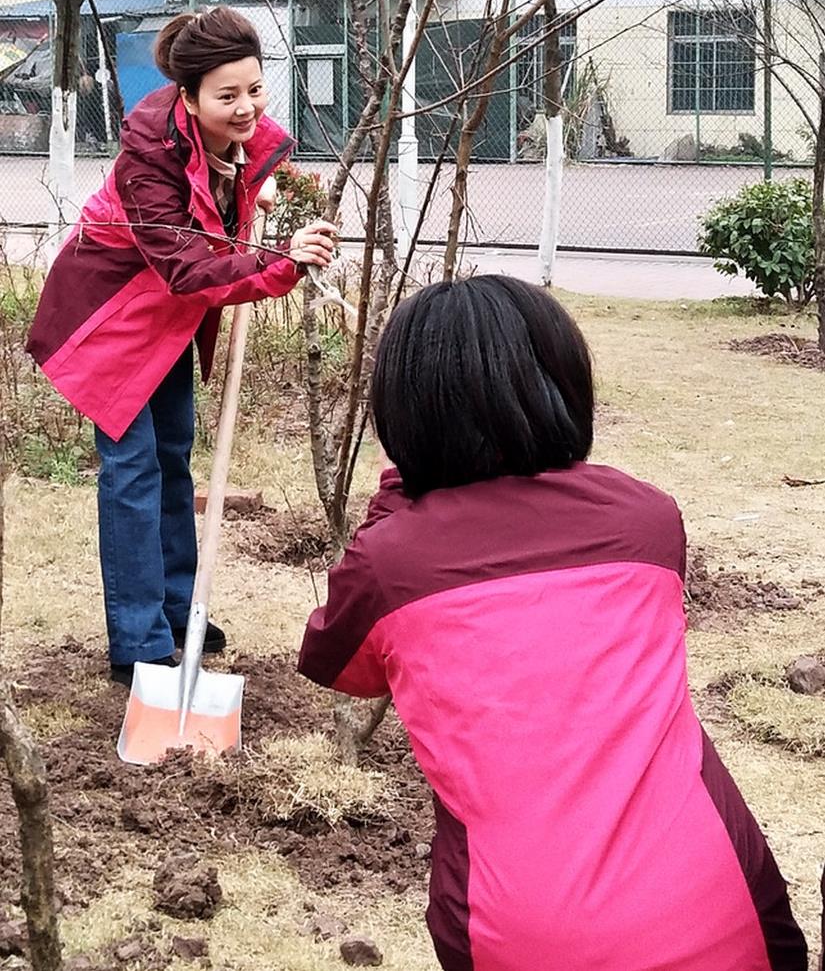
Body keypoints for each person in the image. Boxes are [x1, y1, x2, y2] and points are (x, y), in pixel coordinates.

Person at [298, 275, 809, 971]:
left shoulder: (389, 563)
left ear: (404, 412)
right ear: (564, 387)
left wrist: (398, 495)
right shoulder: (647, 520)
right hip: (726, 903)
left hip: (517, 930)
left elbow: (337, 667)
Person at [27, 7, 336, 688]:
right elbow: (186, 267)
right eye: (228, 96)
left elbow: (253, 215)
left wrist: (292, 224)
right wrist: (279, 261)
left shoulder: (244, 142)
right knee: (132, 469)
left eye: (254, 88)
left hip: (168, 316)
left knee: (172, 460)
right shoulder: (149, 155)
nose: (248, 106)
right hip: (108, 317)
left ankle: (173, 610)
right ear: (189, 99)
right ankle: (138, 639)